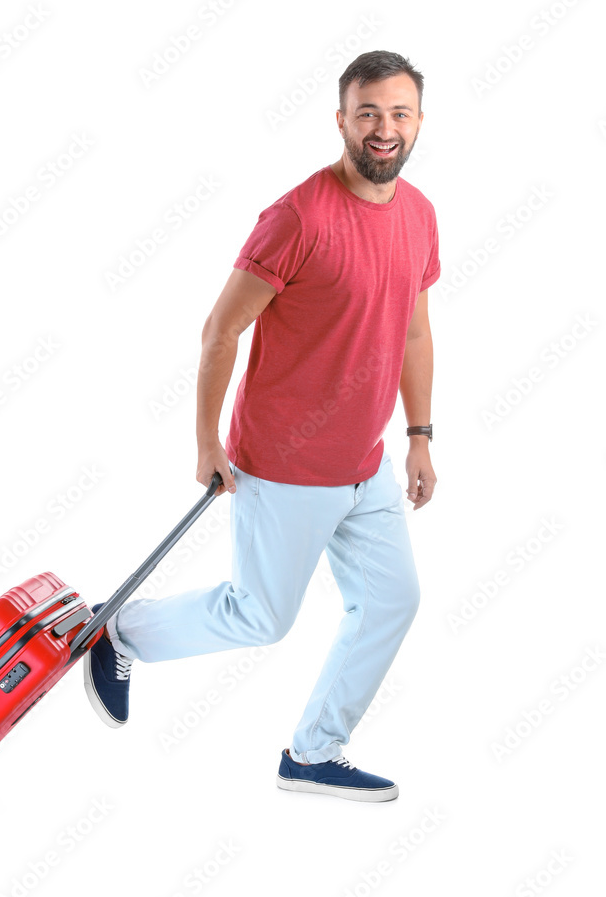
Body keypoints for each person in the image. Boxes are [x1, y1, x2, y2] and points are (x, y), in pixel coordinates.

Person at [85, 49, 439, 803]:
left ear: (419, 122)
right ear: (340, 119)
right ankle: (120, 631)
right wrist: (206, 442)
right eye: (367, 112)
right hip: (283, 462)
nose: (383, 129)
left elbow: (412, 332)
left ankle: (313, 754)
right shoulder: (298, 216)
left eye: (398, 113)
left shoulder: (418, 214)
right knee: (259, 618)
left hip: (366, 463)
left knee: (393, 600)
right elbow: (220, 329)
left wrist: (418, 435)